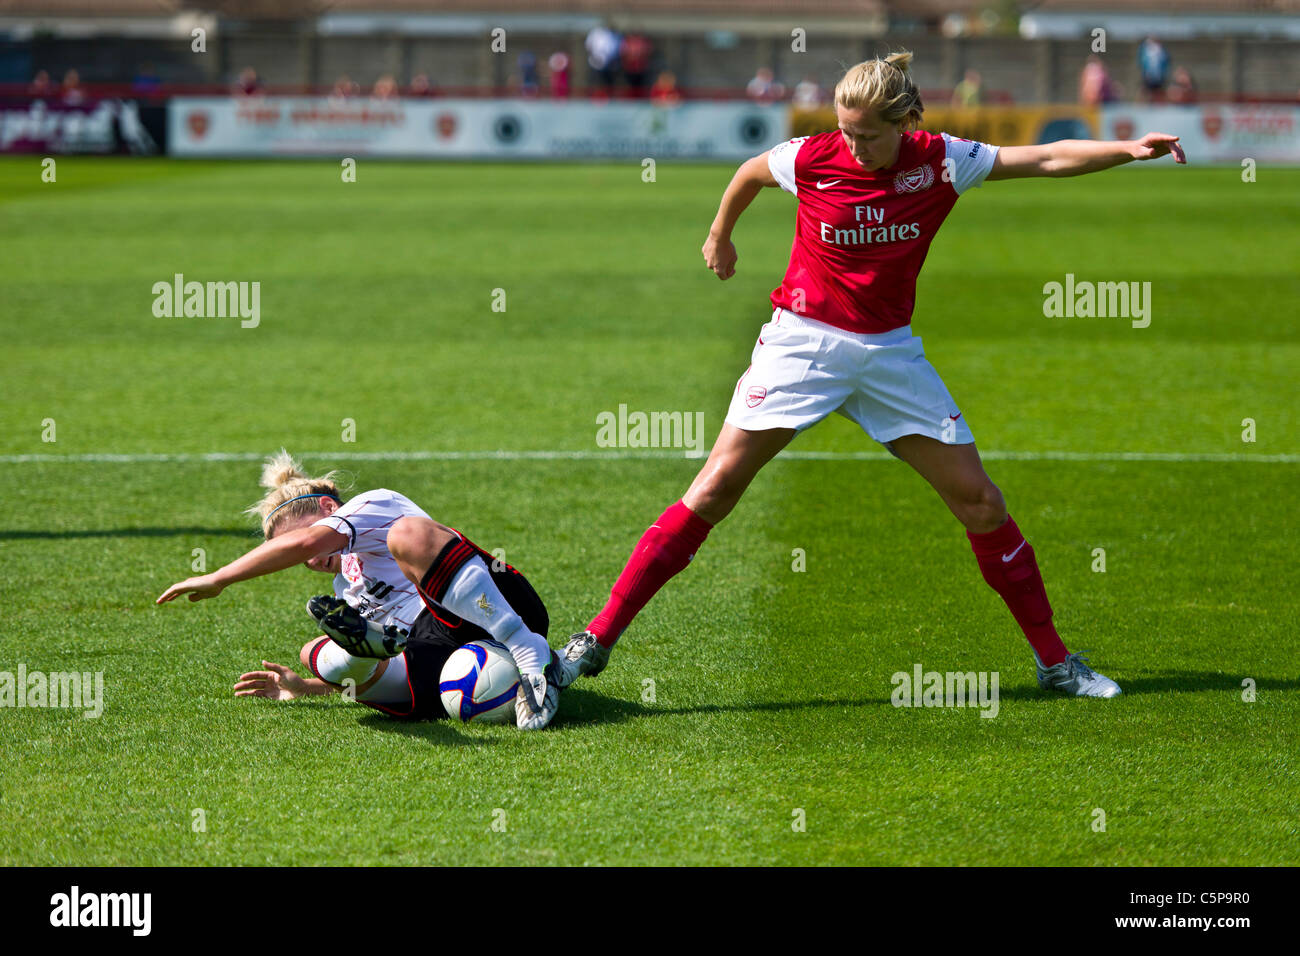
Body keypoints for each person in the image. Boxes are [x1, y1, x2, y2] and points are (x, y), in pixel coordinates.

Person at [560, 51, 1186, 699]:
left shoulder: (943, 159)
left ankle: (1055, 663)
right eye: (846, 131)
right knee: (714, 489)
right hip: (801, 345)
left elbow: (1046, 158)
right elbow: (750, 172)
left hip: (889, 356)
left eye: (868, 135)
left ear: (906, 120)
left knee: (981, 502)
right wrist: (721, 233)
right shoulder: (812, 156)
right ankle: (594, 641)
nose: (854, 146)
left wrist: (1129, 149)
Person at [156, 451, 565, 729]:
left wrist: (219, 578)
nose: (309, 560)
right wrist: (307, 687)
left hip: (489, 611)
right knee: (315, 651)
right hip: (431, 663)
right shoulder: (346, 592)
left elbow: (308, 542)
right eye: (299, 559)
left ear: (328, 511)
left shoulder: (376, 504)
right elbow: (374, 673)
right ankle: (362, 646)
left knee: (408, 535)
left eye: (303, 543)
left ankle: (529, 652)